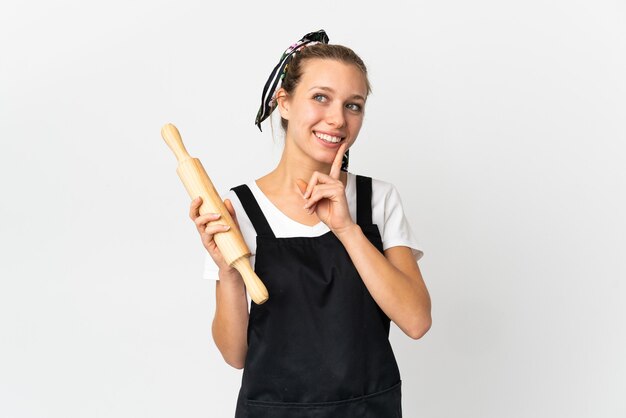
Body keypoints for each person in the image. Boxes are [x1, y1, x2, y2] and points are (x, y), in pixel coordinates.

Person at [189, 30, 431, 418]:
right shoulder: (238, 210)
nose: (337, 119)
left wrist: (347, 229)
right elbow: (235, 355)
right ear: (283, 102)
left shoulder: (377, 200)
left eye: (354, 105)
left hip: (368, 410)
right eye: (321, 97)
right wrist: (229, 270)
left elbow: (417, 321)